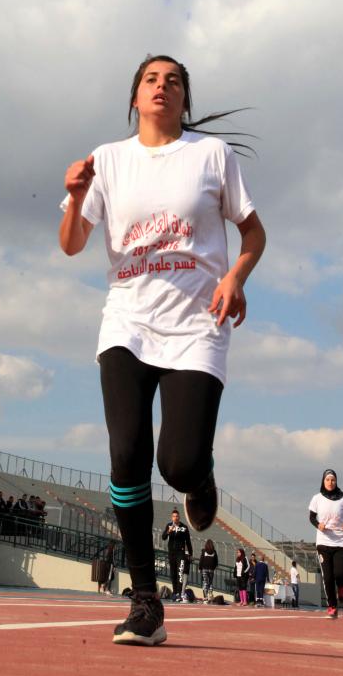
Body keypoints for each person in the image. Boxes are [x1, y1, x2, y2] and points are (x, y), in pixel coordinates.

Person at [60, 54, 266, 645]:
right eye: (151, 79)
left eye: (174, 81)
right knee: (127, 453)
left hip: (198, 325)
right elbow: (73, 244)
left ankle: (198, 481)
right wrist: (75, 199)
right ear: (134, 97)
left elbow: (253, 231)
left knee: (176, 464)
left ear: (184, 99)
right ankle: (146, 602)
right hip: (126, 321)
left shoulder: (211, 155)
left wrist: (236, 278)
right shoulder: (108, 160)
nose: (162, 87)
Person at [309, 469, 343, 619]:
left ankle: (341, 586)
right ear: (323, 481)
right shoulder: (317, 498)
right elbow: (311, 517)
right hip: (323, 542)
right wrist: (318, 525)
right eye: (328, 480)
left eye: (333, 480)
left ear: (336, 482)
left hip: (340, 542)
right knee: (328, 577)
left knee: (340, 574)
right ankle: (332, 606)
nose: (330, 482)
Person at [162, 509, 193, 601]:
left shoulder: (184, 527)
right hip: (171, 553)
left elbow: (188, 541)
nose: (176, 518)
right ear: (172, 517)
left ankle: (179, 593)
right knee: (173, 573)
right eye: (174, 516)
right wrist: (168, 531)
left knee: (180, 572)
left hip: (181, 553)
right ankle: (175, 593)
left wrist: (190, 554)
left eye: (177, 516)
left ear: (179, 517)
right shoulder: (169, 525)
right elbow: (163, 537)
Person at [199, 539, 218, 603]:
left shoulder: (204, 551)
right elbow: (216, 561)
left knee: (205, 582)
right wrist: (214, 568)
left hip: (204, 568)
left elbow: (201, 560)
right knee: (210, 582)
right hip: (211, 569)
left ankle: (205, 597)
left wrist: (200, 568)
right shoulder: (214, 551)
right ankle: (210, 595)